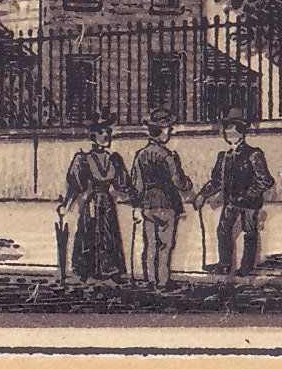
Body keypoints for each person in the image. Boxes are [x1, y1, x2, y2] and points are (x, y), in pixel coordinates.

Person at [194, 109, 274, 274]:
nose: (227, 133)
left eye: (231, 129)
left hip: (249, 204)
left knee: (249, 232)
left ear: (241, 131)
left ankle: (246, 267)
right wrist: (203, 194)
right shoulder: (224, 156)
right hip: (230, 203)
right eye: (226, 129)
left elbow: (266, 180)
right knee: (223, 231)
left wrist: (247, 195)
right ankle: (224, 265)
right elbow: (217, 181)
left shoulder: (254, 154)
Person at [60, 118, 130, 280]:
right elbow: (74, 186)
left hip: (107, 203)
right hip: (91, 203)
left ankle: (109, 269)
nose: (105, 136)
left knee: (108, 233)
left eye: (108, 132)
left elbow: (123, 184)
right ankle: (87, 268)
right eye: (100, 133)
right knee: (88, 234)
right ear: (92, 136)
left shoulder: (114, 159)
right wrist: (66, 206)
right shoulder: (83, 159)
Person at [130, 112, 193, 288]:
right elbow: (178, 181)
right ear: (162, 131)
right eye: (168, 129)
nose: (170, 132)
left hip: (147, 204)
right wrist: (187, 183)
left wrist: (137, 205)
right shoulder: (167, 155)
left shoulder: (140, 155)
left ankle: (150, 279)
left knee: (150, 244)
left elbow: (136, 183)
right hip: (166, 203)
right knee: (165, 244)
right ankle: (163, 280)